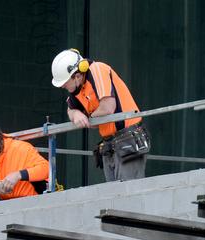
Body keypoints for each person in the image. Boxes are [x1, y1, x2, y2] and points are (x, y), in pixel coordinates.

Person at [51, 49, 150, 182]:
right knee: (113, 196)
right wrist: (76, 114)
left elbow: (108, 107)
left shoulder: (97, 70)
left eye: (64, 83)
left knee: (128, 193)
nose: (62, 86)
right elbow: (71, 109)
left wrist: (88, 118)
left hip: (127, 138)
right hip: (110, 143)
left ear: (77, 76)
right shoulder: (78, 88)